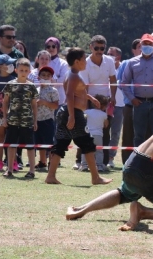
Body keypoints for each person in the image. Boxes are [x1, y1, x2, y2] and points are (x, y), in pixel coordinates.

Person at [44, 47, 112, 186]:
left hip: (67, 112)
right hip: (73, 113)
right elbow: (69, 95)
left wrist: (90, 98)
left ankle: (51, 176)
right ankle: (95, 177)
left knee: (61, 144)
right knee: (87, 144)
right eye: (83, 59)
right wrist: (72, 116)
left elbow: (77, 92)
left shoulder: (72, 74)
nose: (85, 62)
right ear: (76, 61)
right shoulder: (74, 76)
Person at [120, 33, 153, 149]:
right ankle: (139, 164)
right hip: (139, 104)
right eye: (145, 43)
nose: (147, 45)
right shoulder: (132, 62)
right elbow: (124, 83)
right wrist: (132, 99)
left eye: (150, 43)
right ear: (141, 45)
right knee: (139, 136)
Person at [79, 35, 117, 169]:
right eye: (96, 48)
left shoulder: (109, 61)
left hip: (105, 101)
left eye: (102, 48)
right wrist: (88, 101)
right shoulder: (85, 63)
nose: (99, 51)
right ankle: (82, 162)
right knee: (86, 131)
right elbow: (84, 86)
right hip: (89, 100)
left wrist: (113, 96)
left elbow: (113, 80)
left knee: (105, 131)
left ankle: (103, 163)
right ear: (91, 47)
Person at [1, 58, 39, 178]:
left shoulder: (32, 86)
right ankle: (10, 169)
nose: (23, 72)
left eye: (26, 70)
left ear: (29, 71)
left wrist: (35, 120)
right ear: (16, 70)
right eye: (21, 70)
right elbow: (5, 102)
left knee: (30, 146)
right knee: (11, 145)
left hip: (27, 121)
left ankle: (32, 171)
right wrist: (4, 117)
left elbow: (34, 104)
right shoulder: (10, 85)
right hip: (13, 120)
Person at [118, 39, 142, 165]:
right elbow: (120, 83)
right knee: (128, 135)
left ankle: (143, 162)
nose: (142, 49)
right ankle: (126, 163)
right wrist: (131, 97)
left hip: (146, 105)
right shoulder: (126, 63)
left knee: (144, 135)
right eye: (139, 47)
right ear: (133, 50)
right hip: (129, 105)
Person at [34, 66, 59, 171]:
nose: (45, 77)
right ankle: (42, 161)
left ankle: (51, 163)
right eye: (43, 75)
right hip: (37, 120)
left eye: (48, 76)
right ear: (38, 77)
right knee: (39, 143)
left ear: (51, 78)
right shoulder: (36, 90)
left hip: (48, 120)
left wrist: (44, 102)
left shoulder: (53, 90)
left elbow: (55, 105)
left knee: (49, 143)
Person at [80, 94, 109, 172]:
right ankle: (99, 166)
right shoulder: (104, 114)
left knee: (85, 150)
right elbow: (106, 125)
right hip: (98, 135)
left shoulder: (87, 112)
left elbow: (83, 118)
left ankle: (84, 165)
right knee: (99, 151)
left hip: (88, 134)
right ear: (103, 106)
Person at [106, 46, 124, 169]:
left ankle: (111, 157)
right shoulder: (105, 66)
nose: (108, 55)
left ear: (118, 57)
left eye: (111, 54)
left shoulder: (124, 67)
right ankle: (101, 156)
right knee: (103, 131)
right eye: (108, 53)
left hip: (120, 105)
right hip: (106, 104)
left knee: (116, 133)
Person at [44, 37, 70, 105]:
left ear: (57, 47)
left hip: (59, 98)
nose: (51, 49)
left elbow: (63, 79)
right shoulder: (42, 61)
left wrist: (49, 81)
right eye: (48, 46)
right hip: (43, 98)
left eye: (53, 46)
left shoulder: (63, 63)